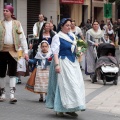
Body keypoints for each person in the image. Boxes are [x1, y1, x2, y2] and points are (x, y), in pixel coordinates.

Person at [46, 18, 86, 117]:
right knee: (63, 85)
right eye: (67, 25)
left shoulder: (72, 36)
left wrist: (79, 51)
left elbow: (75, 49)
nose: (69, 27)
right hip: (63, 61)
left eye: (70, 25)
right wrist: (57, 65)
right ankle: (60, 108)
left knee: (75, 84)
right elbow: (55, 52)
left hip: (73, 62)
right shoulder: (57, 36)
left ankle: (72, 107)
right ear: (61, 26)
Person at [0, 5, 28, 103]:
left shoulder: (17, 23)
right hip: (2, 51)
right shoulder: (0, 23)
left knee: (12, 73)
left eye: (6, 10)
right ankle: (2, 93)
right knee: (1, 74)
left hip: (13, 50)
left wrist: (26, 52)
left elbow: (22, 38)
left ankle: (12, 94)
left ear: (11, 12)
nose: (4, 12)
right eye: (3, 10)